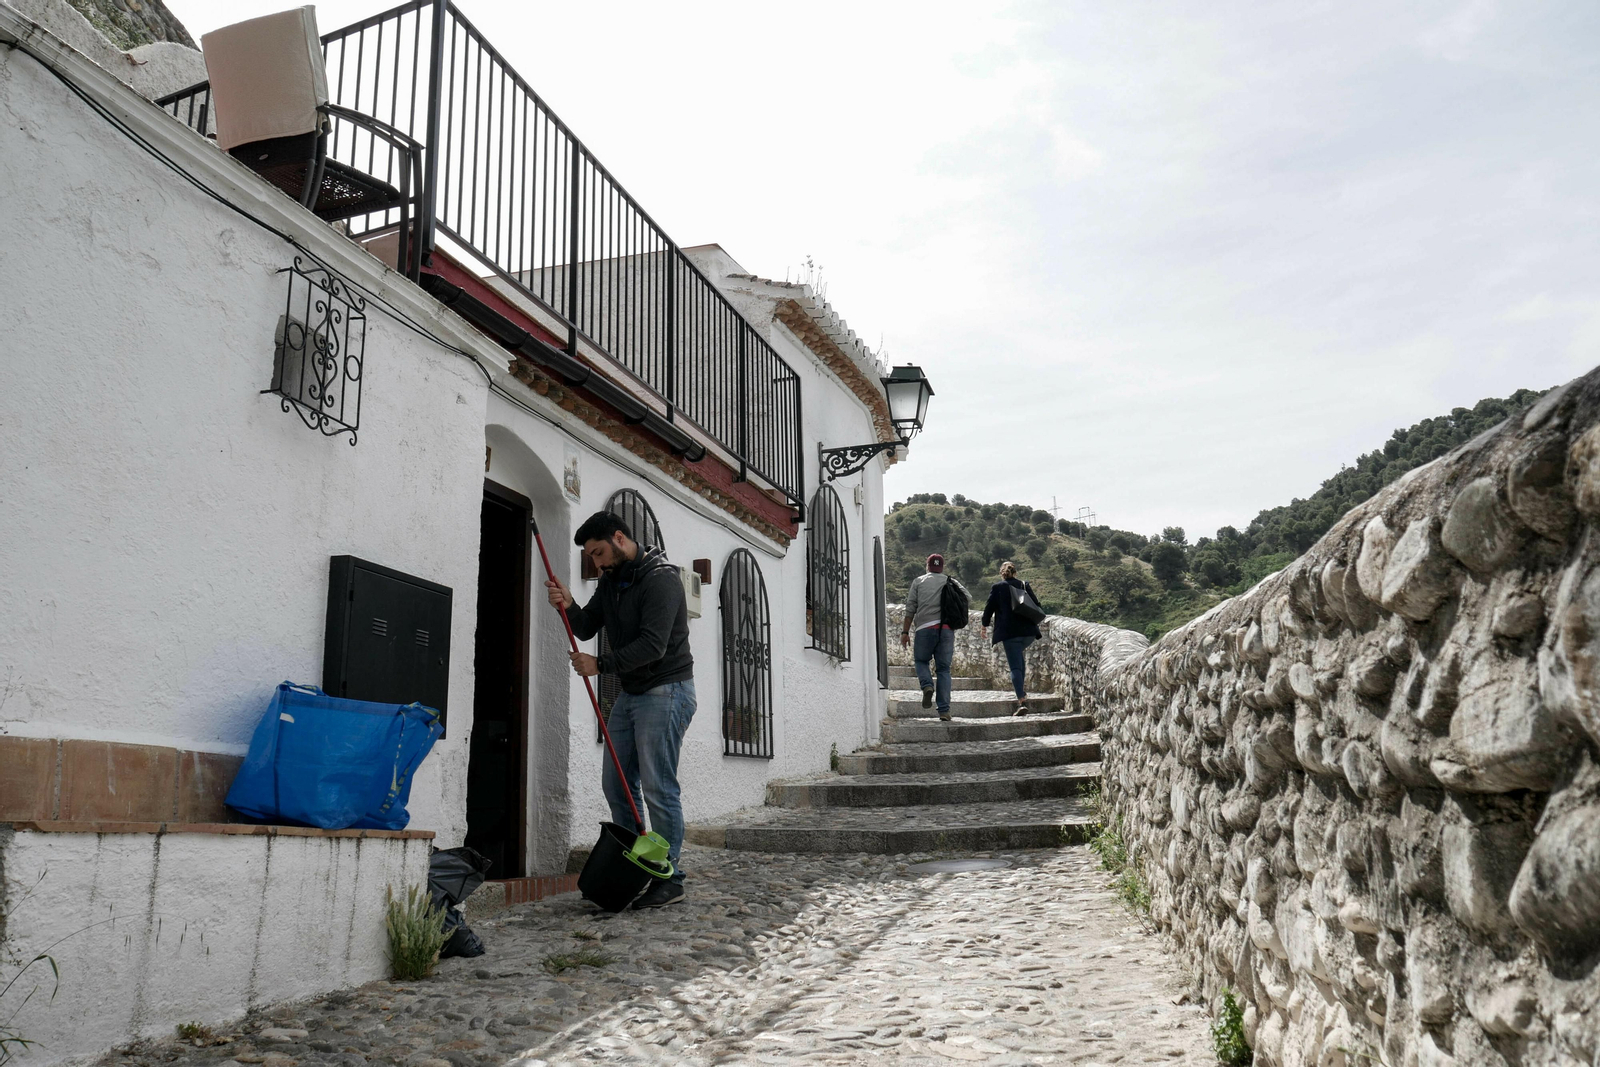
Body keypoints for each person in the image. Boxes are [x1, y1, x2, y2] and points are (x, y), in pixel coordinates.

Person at [545, 511, 695, 909]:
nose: (596, 564)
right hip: (632, 695)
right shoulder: (612, 582)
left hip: (667, 691)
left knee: (659, 787)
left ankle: (671, 877)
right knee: (617, 785)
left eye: (598, 553)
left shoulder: (661, 579)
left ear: (619, 538)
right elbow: (586, 626)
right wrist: (569, 602)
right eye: (592, 557)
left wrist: (601, 666)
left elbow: (653, 646)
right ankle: (638, 868)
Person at [901, 553, 966, 722]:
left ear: (927, 566)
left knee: (921, 661)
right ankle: (944, 711)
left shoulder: (918, 581)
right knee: (944, 669)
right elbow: (967, 597)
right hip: (946, 629)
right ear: (942, 567)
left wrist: (905, 632)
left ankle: (927, 685)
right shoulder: (950, 581)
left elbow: (910, 609)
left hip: (924, 628)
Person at [981, 561, 1042, 716]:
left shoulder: (997, 588)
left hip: (1010, 634)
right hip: (1028, 633)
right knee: (1019, 660)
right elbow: (1036, 604)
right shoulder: (1023, 585)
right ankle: (1022, 692)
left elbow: (988, 609)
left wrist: (984, 625)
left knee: (1015, 667)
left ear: (1002, 573)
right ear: (1015, 572)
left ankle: (1021, 700)